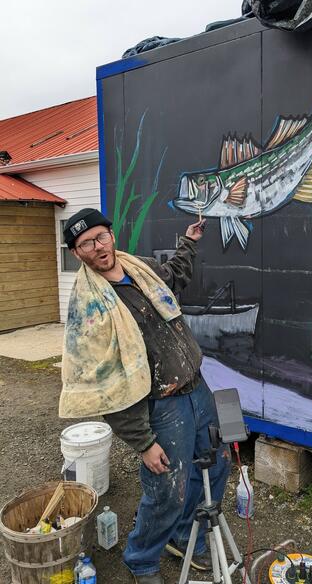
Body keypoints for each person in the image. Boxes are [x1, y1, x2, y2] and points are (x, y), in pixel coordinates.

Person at [59, 208, 231, 584]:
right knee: (167, 488)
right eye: (86, 243)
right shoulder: (90, 310)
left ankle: (185, 536)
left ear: (111, 235)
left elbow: (174, 277)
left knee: (216, 465)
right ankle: (141, 559)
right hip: (162, 406)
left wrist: (190, 242)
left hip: (196, 389)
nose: (98, 247)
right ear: (76, 253)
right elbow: (106, 387)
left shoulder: (141, 269)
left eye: (101, 236)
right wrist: (143, 442)